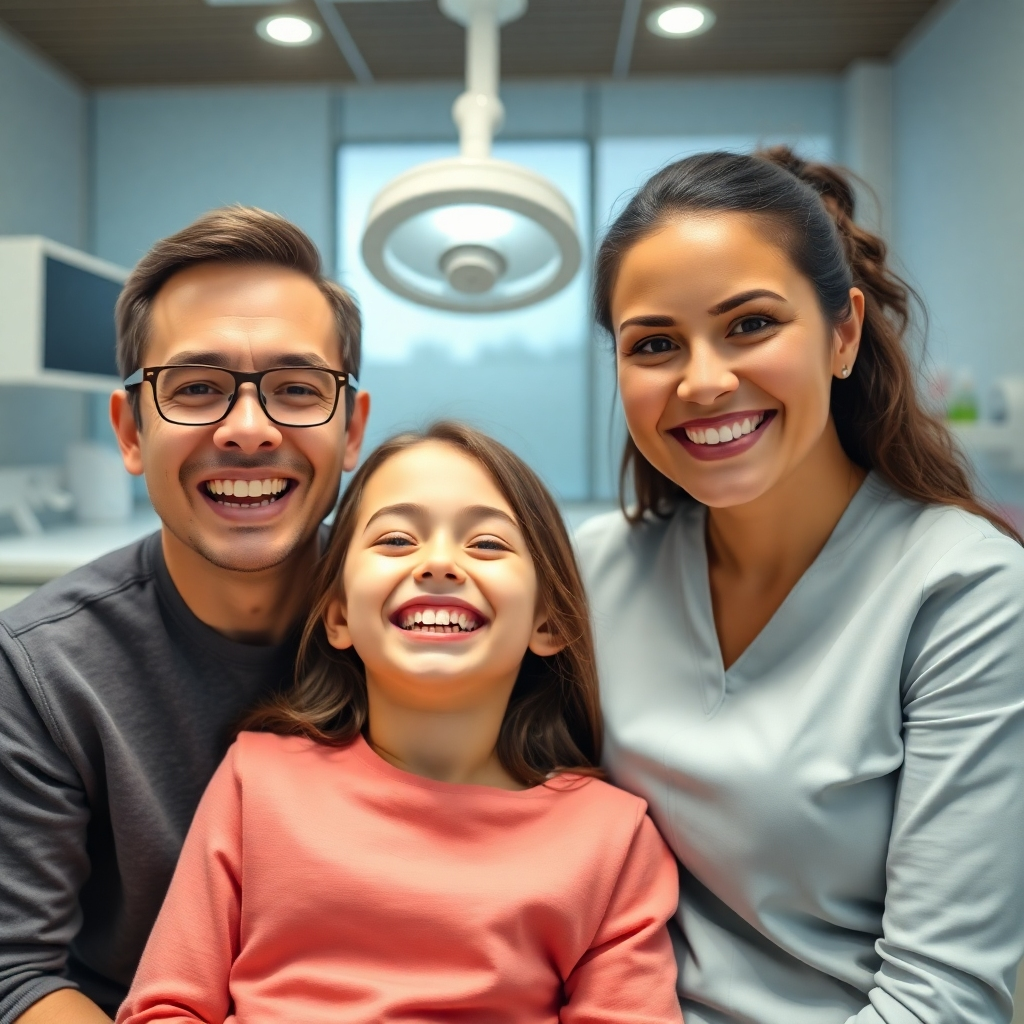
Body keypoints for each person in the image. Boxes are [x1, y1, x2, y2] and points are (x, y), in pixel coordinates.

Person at [576, 147, 1024, 1024]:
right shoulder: (597, 568)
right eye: (656, 344)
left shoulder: (965, 596)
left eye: (749, 325)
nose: (703, 382)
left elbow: (946, 999)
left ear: (843, 332)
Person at [115, 422, 683, 1024]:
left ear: (549, 622)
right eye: (395, 540)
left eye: (487, 545)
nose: (439, 563)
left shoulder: (614, 842)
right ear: (337, 614)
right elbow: (165, 1007)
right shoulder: (254, 781)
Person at [0, 207, 370, 1024]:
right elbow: (17, 973)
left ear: (353, 430)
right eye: (197, 388)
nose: (246, 430)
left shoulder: (429, 628)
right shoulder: (41, 671)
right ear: (130, 430)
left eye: (298, 389)